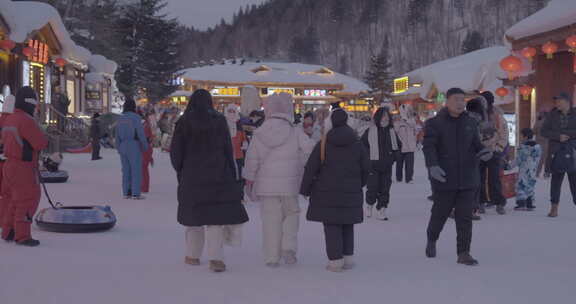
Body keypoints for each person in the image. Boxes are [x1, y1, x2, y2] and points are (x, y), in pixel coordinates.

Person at [170, 89, 249, 273]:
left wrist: (182, 171)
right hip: (218, 175)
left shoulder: (184, 122)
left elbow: (176, 152)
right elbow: (227, 149)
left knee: (194, 219)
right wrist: (231, 171)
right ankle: (216, 259)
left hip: (192, 176)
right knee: (215, 220)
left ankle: (192, 255)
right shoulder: (219, 120)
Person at [243, 93, 314, 268]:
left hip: (266, 186)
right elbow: (309, 152)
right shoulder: (295, 131)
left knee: (270, 219)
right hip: (290, 184)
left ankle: (271, 257)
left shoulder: (260, 132)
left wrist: (249, 180)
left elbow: (252, 159)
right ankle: (288, 247)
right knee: (292, 214)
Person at [423, 88, 491, 266]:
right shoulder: (435, 123)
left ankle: (463, 253)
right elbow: (428, 147)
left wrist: (483, 151)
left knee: (465, 218)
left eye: (462, 99)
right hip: (444, 178)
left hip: (468, 178)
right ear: (447, 101)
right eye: (456, 99)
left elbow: (476, 144)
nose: (460, 103)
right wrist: (433, 165)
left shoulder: (470, 122)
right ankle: (432, 239)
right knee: (439, 215)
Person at [300, 109, 370, 272]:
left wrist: (305, 189)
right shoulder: (357, 143)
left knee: (331, 226)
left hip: (326, 192)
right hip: (350, 191)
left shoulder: (324, 142)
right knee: (347, 224)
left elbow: (311, 168)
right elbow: (366, 168)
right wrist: (359, 184)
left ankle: (335, 261)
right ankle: (348, 258)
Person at [1, 87, 48, 246]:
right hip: (23, 167)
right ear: (31, 102)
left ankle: (8, 231)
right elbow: (41, 142)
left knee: (14, 200)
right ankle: (22, 236)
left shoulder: (10, 118)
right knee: (28, 199)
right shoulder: (26, 120)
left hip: (9, 165)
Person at [361, 107, 401, 221]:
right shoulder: (370, 130)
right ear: (378, 117)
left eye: (387, 116)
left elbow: (397, 146)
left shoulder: (391, 131)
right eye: (383, 116)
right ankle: (369, 204)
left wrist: (393, 157)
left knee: (385, 189)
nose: (385, 118)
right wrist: (367, 159)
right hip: (373, 165)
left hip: (387, 165)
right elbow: (363, 146)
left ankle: (382, 209)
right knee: (372, 187)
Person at [541, 92, 576, 217]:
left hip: (573, 151)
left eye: (559, 101)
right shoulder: (552, 115)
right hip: (556, 152)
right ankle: (554, 208)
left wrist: (567, 135)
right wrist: (558, 136)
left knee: (574, 181)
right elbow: (543, 131)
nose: (556, 103)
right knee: (555, 182)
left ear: (567, 101)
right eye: (556, 101)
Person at [479, 91, 509, 215]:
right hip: (479, 152)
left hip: (494, 151)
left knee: (494, 179)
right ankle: (479, 202)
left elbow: (504, 134)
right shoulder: (476, 116)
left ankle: (499, 203)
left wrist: (498, 148)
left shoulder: (498, 117)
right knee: (478, 178)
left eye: (483, 101)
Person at [115, 98, 148, 200]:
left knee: (125, 170)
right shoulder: (136, 118)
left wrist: (118, 148)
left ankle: (126, 192)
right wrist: (145, 145)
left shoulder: (120, 119)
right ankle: (135, 193)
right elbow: (140, 133)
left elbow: (116, 135)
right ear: (134, 107)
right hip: (133, 145)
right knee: (136, 170)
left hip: (123, 145)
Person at [513, 128, 542, 211]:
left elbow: (518, 160)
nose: (521, 137)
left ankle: (521, 203)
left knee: (521, 185)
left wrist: (508, 166)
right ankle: (529, 203)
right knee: (530, 185)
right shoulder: (538, 147)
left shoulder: (523, 147)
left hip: (524, 169)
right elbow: (538, 158)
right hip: (533, 169)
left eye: (521, 135)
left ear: (525, 136)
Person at [224, 104, 247, 199]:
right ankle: (228, 195)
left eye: (233, 111)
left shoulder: (239, 125)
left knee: (239, 176)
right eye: (230, 111)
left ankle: (239, 196)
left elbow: (243, 138)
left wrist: (245, 143)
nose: (232, 114)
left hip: (238, 155)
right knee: (227, 176)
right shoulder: (222, 124)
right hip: (226, 156)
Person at [0, 94, 15, 231]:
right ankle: (5, 221)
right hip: (8, 162)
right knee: (8, 194)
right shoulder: (13, 121)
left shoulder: (1, 120)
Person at [395, 104, 418, 184]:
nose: (409, 112)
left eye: (410, 111)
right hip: (400, 146)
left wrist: (406, 121)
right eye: (408, 110)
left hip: (410, 147)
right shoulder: (398, 121)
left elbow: (415, 130)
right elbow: (395, 132)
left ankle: (409, 178)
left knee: (410, 165)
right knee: (399, 164)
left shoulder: (412, 120)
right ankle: (399, 178)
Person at [533, 111, 550, 178]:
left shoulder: (538, 122)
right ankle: (546, 173)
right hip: (547, 142)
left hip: (539, 142)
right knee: (546, 159)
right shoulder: (549, 123)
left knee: (539, 158)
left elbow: (533, 132)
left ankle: (537, 173)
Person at [141, 110, 154, 194]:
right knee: (144, 169)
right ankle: (144, 187)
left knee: (143, 169)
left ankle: (144, 187)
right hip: (147, 149)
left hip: (145, 149)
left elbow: (146, 138)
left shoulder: (145, 126)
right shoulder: (146, 125)